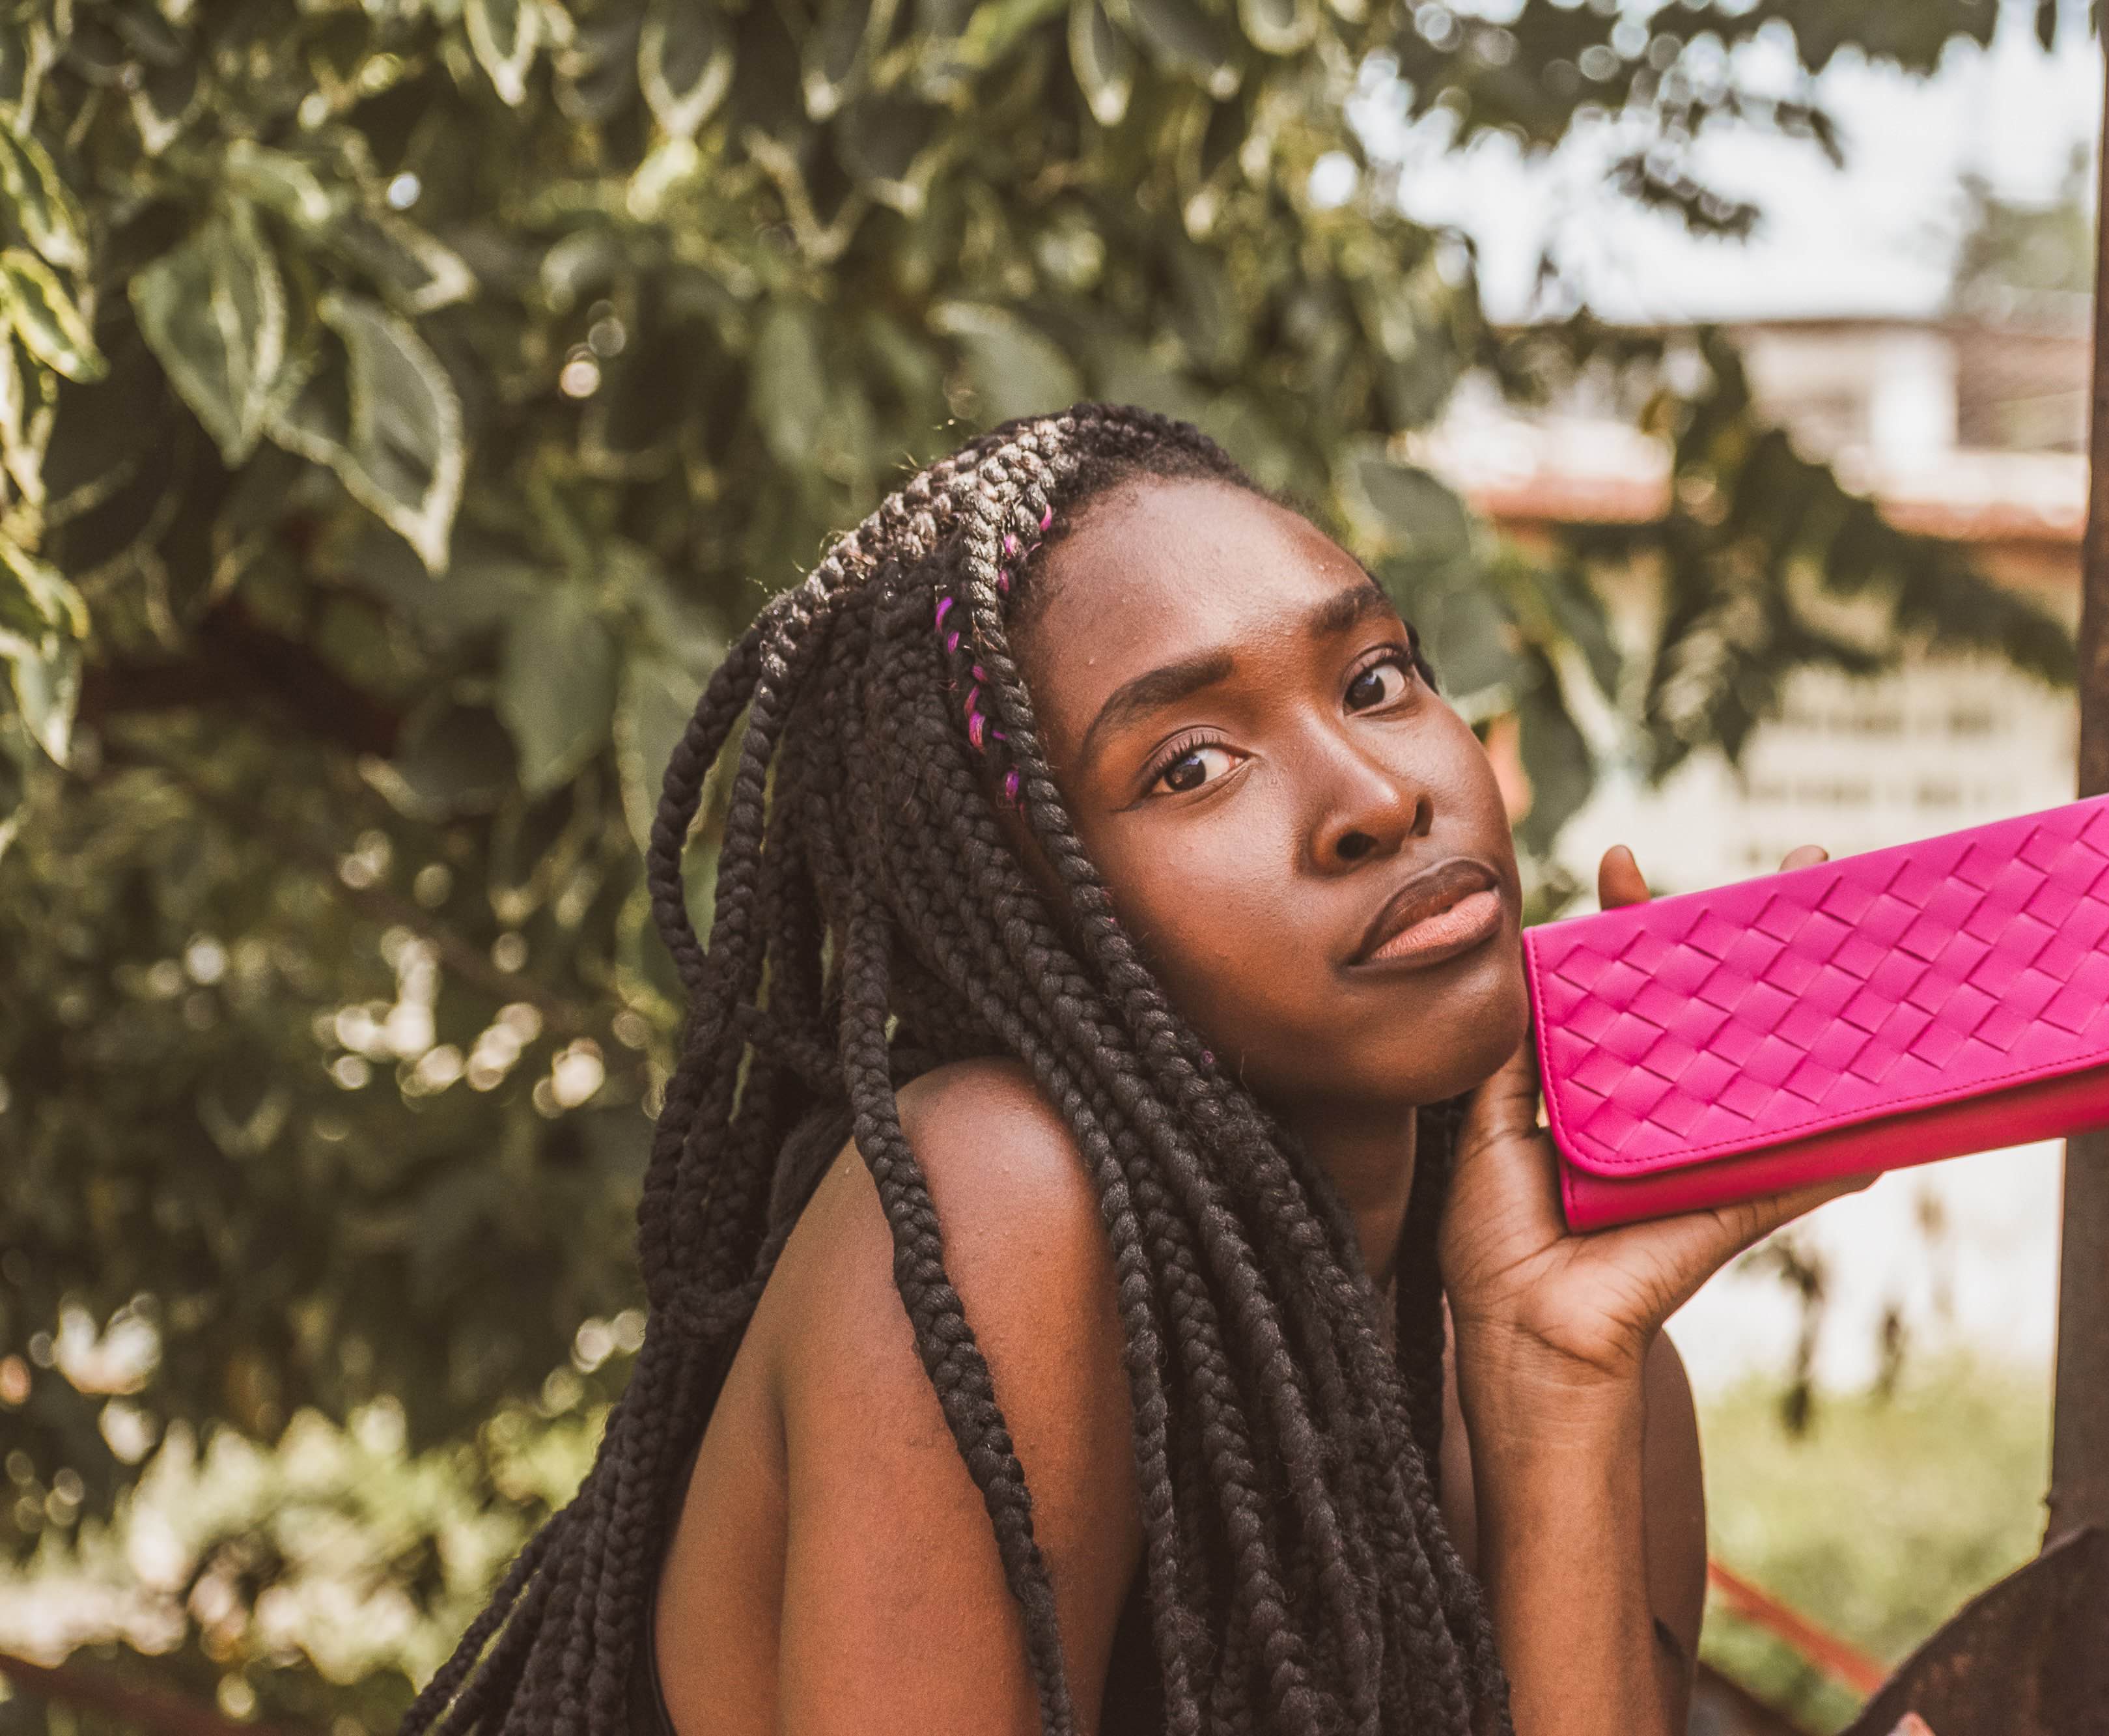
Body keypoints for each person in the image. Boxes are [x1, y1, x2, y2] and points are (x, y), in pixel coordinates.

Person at [402, 404, 1854, 1736]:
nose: (1374, 795)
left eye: (1375, 676)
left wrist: (1555, 1387)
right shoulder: (996, 1206)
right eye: (1190, 766)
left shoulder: (1581, 1360)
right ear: (1034, 907)